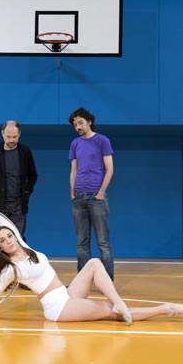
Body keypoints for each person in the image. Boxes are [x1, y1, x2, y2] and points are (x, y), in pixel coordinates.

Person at [0, 203, 183, 324]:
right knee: (111, 313)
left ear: (14, 236)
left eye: (9, 236)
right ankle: (164, 308)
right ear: (0, 248)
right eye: (3, 241)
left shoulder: (24, 246)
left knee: (94, 262)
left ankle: (120, 303)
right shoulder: (11, 269)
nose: (8, 240)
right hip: (58, 308)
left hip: (66, 294)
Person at [0, 120, 38, 290]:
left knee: (19, 242)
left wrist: (27, 191)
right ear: (2, 134)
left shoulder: (25, 151)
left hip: (19, 205)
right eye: (9, 136)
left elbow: (33, 175)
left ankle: (24, 279)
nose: (11, 140)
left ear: (19, 135)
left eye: (15, 137)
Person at [68, 107, 115, 280]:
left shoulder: (102, 140)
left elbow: (110, 169)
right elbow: (74, 170)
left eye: (80, 123)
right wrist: (72, 193)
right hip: (78, 198)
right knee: (82, 243)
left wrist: (101, 192)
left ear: (89, 121)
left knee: (103, 243)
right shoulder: (75, 143)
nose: (78, 127)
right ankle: (82, 281)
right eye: (75, 125)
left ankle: (107, 281)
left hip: (97, 197)